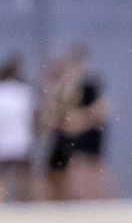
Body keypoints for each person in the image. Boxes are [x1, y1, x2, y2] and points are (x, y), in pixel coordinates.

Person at [44, 47, 110, 202]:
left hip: (84, 135)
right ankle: (68, 204)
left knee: (87, 171)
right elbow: (56, 115)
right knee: (59, 176)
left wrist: (79, 120)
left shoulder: (90, 86)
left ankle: (92, 203)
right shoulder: (63, 86)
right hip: (66, 136)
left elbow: (100, 110)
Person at [0, 58, 34, 202]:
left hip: (3, 142)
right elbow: (34, 117)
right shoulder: (25, 91)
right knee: (22, 179)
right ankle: (24, 205)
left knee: (2, 177)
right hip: (20, 142)